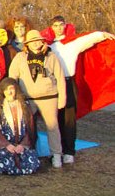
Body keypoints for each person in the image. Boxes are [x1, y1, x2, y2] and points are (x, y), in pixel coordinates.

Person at [41, 15, 115, 164]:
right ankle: (57, 150)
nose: (58, 28)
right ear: (51, 28)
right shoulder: (47, 46)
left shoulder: (73, 43)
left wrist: (104, 35)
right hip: (52, 85)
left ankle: (69, 151)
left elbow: (89, 39)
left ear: (65, 26)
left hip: (68, 83)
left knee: (69, 120)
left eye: (61, 25)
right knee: (54, 120)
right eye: (55, 25)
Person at [9, 30, 66, 168]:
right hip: (28, 98)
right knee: (27, 127)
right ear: (27, 44)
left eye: (37, 40)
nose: (35, 43)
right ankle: (29, 152)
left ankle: (56, 154)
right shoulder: (20, 57)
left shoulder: (51, 56)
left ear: (42, 41)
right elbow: (12, 76)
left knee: (52, 126)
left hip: (49, 96)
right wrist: (15, 96)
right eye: (32, 41)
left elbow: (59, 77)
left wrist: (62, 98)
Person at [0, 78, 40, 175]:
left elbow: (30, 128)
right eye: (6, 90)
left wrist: (22, 145)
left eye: (11, 89)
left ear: (16, 89)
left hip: (21, 145)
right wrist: (7, 145)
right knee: (6, 162)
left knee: (32, 162)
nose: (9, 92)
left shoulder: (24, 106)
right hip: (5, 146)